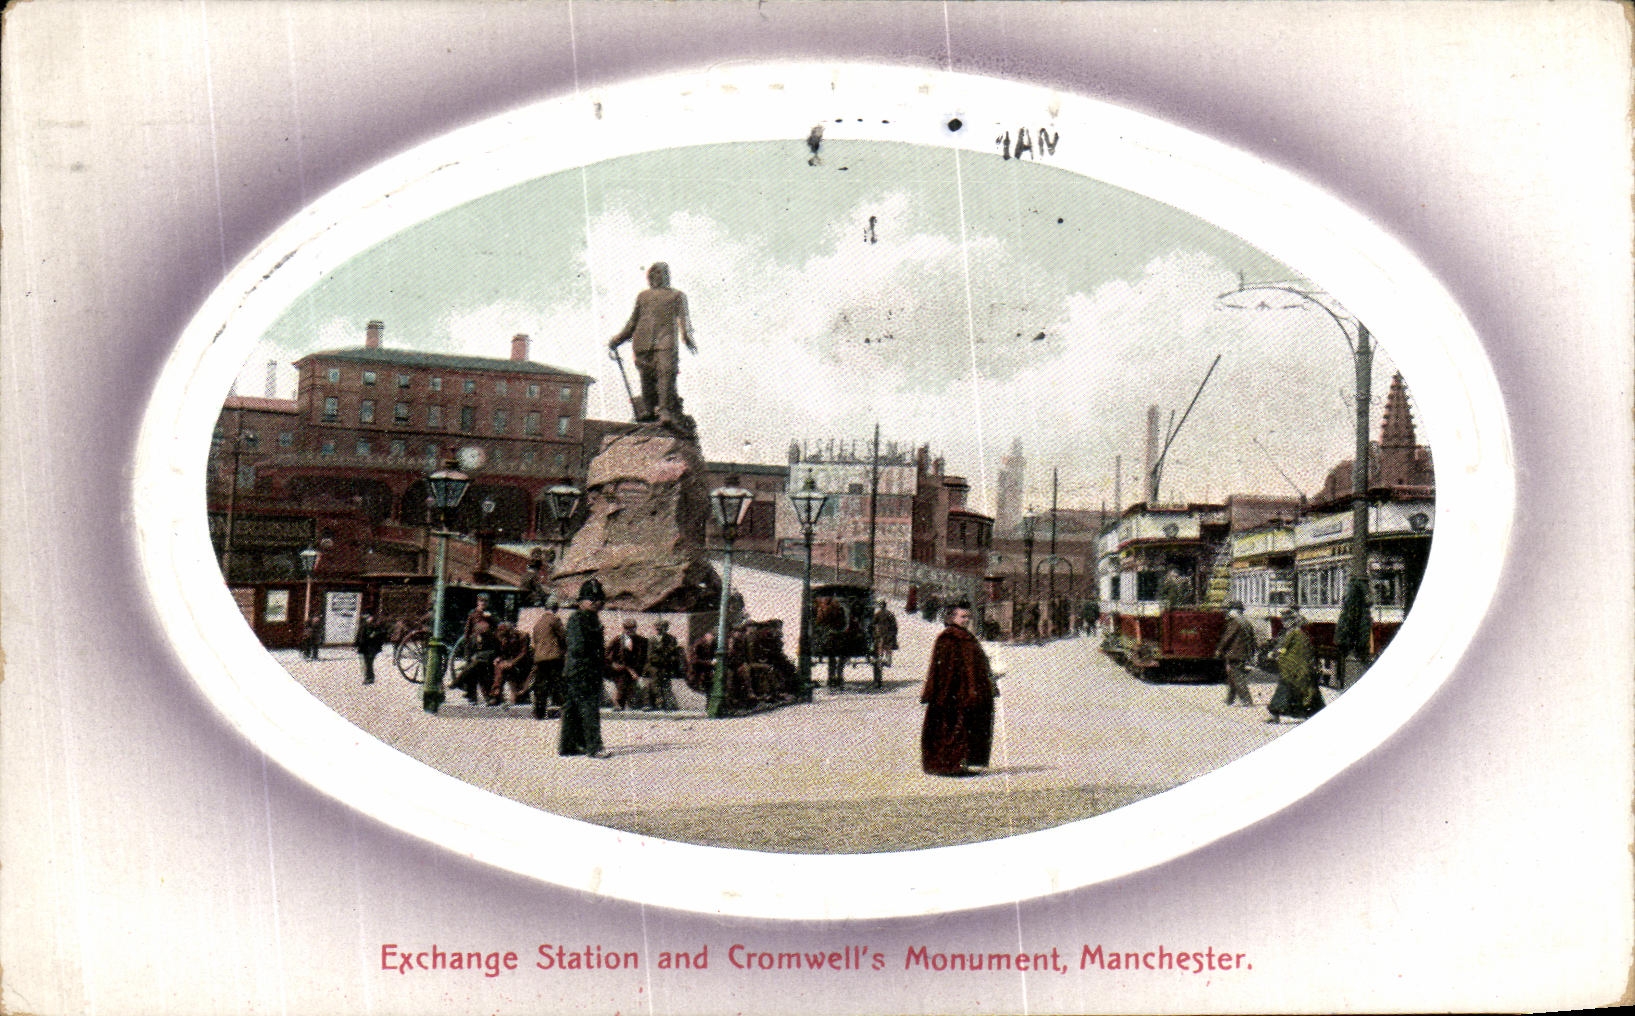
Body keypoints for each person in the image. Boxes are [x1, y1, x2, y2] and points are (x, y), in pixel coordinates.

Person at [608, 261, 697, 429]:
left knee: (666, 375)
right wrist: (618, 339)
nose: (656, 277)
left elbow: (685, 320)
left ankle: (665, 412)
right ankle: (648, 410)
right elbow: (633, 321)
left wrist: (687, 336)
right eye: (653, 274)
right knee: (646, 377)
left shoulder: (677, 296)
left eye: (661, 274)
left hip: (665, 342)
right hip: (642, 342)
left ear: (667, 276)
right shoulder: (643, 296)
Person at [919, 601, 997, 777]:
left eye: (968, 617)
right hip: (952, 692)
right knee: (953, 728)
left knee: (966, 725)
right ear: (952, 617)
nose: (966, 620)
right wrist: (946, 692)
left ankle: (961, 762)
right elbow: (942, 669)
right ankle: (949, 765)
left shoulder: (966, 636)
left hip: (967, 691)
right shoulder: (947, 638)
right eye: (962, 616)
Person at [559, 579, 609, 758]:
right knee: (589, 709)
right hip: (582, 671)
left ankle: (569, 746)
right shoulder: (578, 619)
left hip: (579, 671)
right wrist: (595, 659)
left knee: (572, 709)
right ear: (581, 601)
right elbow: (577, 647)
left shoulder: (591, 618)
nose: (597, 603)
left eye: (599, 599)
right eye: (591, 599)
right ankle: (593, 747)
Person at [1267, 609, 1323, 723]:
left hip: (1294, 669)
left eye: (1286, 620)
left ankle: (1277, 715)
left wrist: (1275, 654)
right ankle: (1308, 715)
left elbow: (1284, 648)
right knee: (1303, 692)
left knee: (1287, 690)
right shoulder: (1299, 633)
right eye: (1283, 620)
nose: (1284, 623)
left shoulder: (1294, 633)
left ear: (1293, 621)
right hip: (1300, 668)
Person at [530, 597, 567, 720]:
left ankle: (539, 712)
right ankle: (561, 710)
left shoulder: (538, 623)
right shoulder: (555, 619)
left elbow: (535, 641)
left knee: (541, 685)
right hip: (553, 656)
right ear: (555, 608)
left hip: (540, 658)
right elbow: (563, 637)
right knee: (557, 683)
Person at [1216, 600, 1258, 706]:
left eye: (1230, 610)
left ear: (1235, 611)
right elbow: (1252, 640)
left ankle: (1247, 701)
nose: (1228, 612)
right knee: (1232, 676)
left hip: (1235, 653)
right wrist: (1252, 653)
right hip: (1243, 653)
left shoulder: (1235, 622)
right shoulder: (1246, 622)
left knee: (1237, 677)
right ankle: (1230, 699)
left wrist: (1219, 649)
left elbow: (1227, 638)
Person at [605, 618, 649, 711]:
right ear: (623, 628)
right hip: (621, 668)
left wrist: (640, 669)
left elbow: (646, 656)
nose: (630, 630)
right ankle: (619, 704)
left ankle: (646, 704)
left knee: (643, 683)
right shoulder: (617, 640)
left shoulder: (642, 640)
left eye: (632, 628)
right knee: (623, 680)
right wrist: (613, 664)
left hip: (637, 668)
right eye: (627, 628)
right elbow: (606, 653)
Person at [643, 619, 684, 712]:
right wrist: (663, 659)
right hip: (654, 665)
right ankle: (653, 703)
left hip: (666, 666)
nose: (659, 630)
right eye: (657, 628)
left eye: (662, 628)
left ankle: (667, 704)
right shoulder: (651, 640)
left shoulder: (671, 639)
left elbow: (673, 653)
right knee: (653, 683)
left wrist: (668, 659)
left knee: (666, 684)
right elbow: (651, 656)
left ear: (666, 629)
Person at [488, 621, 532, 706]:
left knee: (501, 667)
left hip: (523, 663)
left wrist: (512, 662)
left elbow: (523, 653)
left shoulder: (523, 636)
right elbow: (505, 653)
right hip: (510, 662)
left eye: (505, 636)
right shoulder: (504, 638)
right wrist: (499, 658)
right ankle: (496, 694)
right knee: (499, 666)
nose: (504, 639)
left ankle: (496, 695)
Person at [354, 611, 387, 685]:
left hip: (371, 647)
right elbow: (360, 636)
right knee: (366, 663)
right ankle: (368, 677)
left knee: (369, 663)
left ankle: (369, 678)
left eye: (368, 617)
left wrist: (374, 636)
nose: (368, 619)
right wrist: (356, 644)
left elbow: (381, 636)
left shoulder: (375, 626)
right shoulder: (364, 625)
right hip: (364, 647)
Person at [687, 629, 717, 695]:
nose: (713, 638)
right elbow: (694, 660)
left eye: (715, 636)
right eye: (713, 636)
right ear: (707, 635)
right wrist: (710, 663)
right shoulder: (698, 644)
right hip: (696, 674)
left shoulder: (713, 644)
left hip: (706, 675)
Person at [872, 600, 899, 669]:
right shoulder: (889, 613)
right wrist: (894, 633)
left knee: (880, 647)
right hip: (888, 633)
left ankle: (880, 660)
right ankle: (888, 661)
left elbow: (873, 623)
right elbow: (894, 624)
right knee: (888, 648)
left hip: (880, 633)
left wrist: (874, 631)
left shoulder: (878, 613)